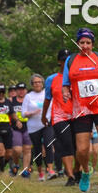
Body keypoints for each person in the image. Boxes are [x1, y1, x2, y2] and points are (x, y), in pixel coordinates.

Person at [62, 27, 98, 193]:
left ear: (93, 44)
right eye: (82, 43)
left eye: (88, 43)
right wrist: (66, 92)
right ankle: (86, 172)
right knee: (82, 149)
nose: (85, 46)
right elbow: (66, 84)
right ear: (77, 43)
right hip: (81, 108)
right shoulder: (71, 61)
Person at [43, 50, 78, 186]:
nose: (65, 63)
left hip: (76, 115)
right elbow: (47, 99)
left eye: (68, 60)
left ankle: (77, 171)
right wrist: (43, 116)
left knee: (79, 146)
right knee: (66, 145)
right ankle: (70, 176)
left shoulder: (76, 75)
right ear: (59, 61)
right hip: (59, 117)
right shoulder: (51, 79)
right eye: (63, 60)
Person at [21, 74, 57, 181]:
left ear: (43, 83)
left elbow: (54, 107)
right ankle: (40, 172)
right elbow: (23, 114)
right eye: (35, 82)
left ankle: (50, 169)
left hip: (46, 124)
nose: (37, 84)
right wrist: (32, 113)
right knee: (37, 149)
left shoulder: (47, 93)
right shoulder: (28, 96)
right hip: (33, 127)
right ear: (32, 85)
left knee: (48, 144)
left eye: (39, 82)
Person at [10, 82, 31, 176]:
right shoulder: (11, 100)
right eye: (19, 89)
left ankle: (25, 170)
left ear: (26, 90)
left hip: (29, 127)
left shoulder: (30, 100)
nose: (21, 91)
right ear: (16, 91)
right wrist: (16, 120)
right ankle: (16, 164)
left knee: (27, 149)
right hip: (15, 128)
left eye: (23, 89)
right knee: (17, 149)